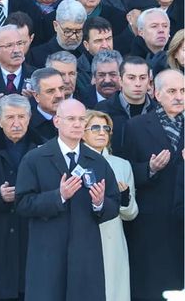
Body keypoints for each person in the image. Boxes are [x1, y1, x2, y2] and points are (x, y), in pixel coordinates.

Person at [16, 98, 120, 301]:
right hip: (48, 254)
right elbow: (22, 203)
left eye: (82, 119)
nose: (77, 124)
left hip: (85, 256)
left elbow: (114, 204)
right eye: (71, 119)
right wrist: (59, 196)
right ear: (57, 122)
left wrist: (99, 203)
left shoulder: (97, 161)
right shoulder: (35, 158)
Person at [123, 69, 184, 301]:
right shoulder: (136, 126)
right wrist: (150, 169)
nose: (179, 96)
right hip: (152, 224)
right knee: (152, 287)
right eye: (171, 91)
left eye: (183, 91)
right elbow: (125, 171)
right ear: (156, 93)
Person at [0, 94, 43, 301]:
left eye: (22, 117)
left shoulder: (44, 148)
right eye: (10, 117)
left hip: (33, 236)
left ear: (30, 118)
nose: (16, 123)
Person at [81, 109, 138, 301]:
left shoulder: (122, 165)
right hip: (83, 237)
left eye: (106, 128)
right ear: (82, 131)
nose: (102, 132)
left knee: (114, 292)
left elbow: (131, 213)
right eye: (95, 127)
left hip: (113, 241)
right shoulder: (73, 162)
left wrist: (123, 198)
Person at [95, 56, 156, 158]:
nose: (138, 83)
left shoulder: (158, 111)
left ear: (149, 81)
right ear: (120, 80)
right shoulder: (102, 110)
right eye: (131, 78)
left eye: (142, 78)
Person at [30, 0, 87, 68]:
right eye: (68, 31)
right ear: (56, 26)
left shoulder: (88, 51)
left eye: (78, 31)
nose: (73, 37)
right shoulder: (37, 56)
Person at [0, 25, 35, 103]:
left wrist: (33, 100)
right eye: (9, 45)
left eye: (20, 43)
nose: (17, 50)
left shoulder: (35, 75)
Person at [76, 16, 114, 96]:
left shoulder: (122, 65)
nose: (105, 45)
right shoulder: (77, 72)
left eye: (108, 39)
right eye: (99, 41)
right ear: (86, 45)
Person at [130, 8, 171, 74]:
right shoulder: (130, 63)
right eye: (154, 26)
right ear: (141, 32)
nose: (161, 30)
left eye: (165, 26)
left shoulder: (178, 55)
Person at [28, 67, 65, 141]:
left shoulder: (77, 118)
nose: (59, 95)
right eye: (50, 91)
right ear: (36, 96)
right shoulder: (28, 125)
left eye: (61, 89)